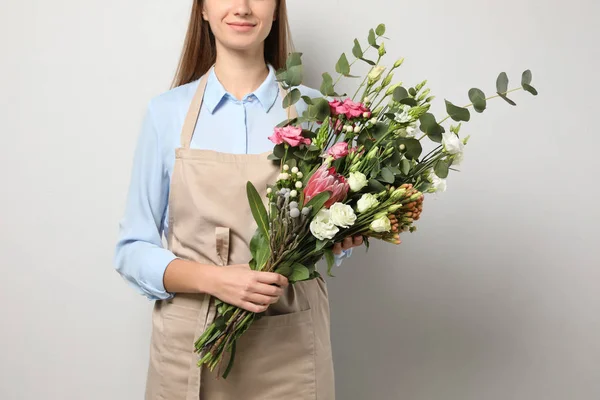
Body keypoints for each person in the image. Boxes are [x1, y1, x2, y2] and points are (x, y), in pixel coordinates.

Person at [114, 0, 363, 398]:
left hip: (292, 347)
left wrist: (341, 238)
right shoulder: (166, 114)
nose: (243, 7)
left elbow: (320, 237)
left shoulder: (318, 114)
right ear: (203, 10)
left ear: (278, 9)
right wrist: (216, 280)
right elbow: (132, 250)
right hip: (190, 349)